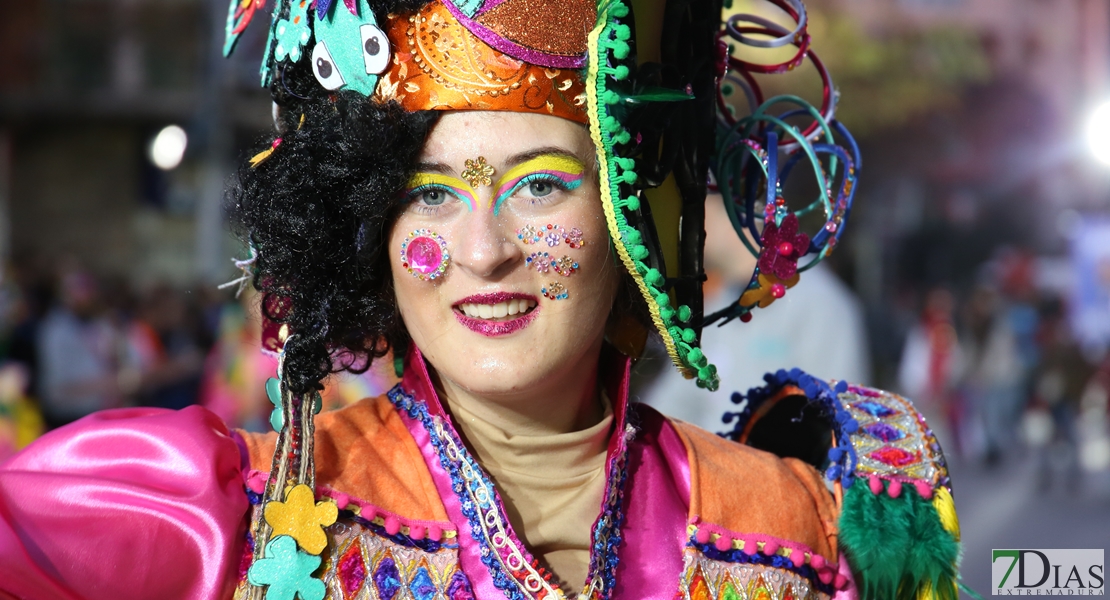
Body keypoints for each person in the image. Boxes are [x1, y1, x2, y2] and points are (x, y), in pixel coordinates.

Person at [0, 0, 963, 599]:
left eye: (540, 183)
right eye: (430, 193)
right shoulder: (216, 524)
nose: (484, 250)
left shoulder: (803, 529)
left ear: (630, 212)